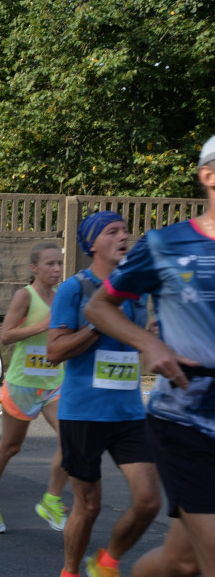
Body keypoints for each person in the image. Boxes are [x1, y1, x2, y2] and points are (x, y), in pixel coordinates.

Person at [86, 135, 215, 577]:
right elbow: (98, 306)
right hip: (187, 415)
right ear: (208, 176)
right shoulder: (166, 244)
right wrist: (150, 343)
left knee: (182, 562)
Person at [46, 211, 160, 577]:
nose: (123, 236)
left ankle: (107, 561)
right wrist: (98, 324)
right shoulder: (74, 289)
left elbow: (139, 342)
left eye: (125, 230)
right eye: (112, 231)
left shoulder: (137, 290)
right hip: (82, 413)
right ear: (92, 244)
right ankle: (70, 571)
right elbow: (54, 351)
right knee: (89, 506)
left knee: (148, 502)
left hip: (129, 413)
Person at [0, 243, 67, 534]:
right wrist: (43, 325)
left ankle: (51, 500)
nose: (56, 269)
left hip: (54, 383)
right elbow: (7, 336)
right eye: (50, 264)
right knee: (10, 447)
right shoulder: (24, 296)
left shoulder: (63, 296)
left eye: (59, 264)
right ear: (34, 268)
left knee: (73, 441)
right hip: (23, 384)